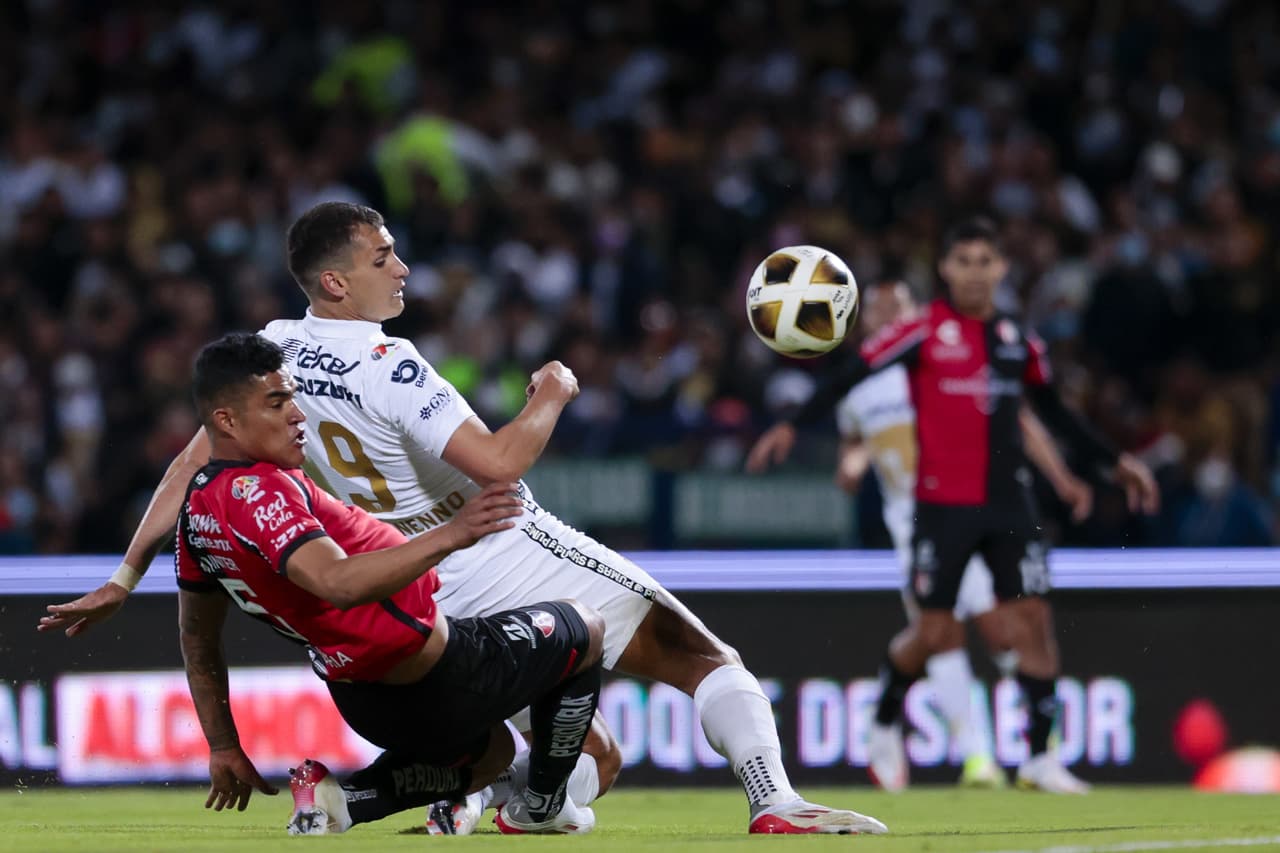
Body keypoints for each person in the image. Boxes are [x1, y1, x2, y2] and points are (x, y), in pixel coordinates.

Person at [39, 202, 886, 836]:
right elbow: (502, 464)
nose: (402, 268)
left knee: (594, 757)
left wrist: (124, 574)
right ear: (336, 281)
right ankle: (774, 799)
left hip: (404, 587)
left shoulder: (273, 352)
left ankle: (465, 800)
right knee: (704, 657)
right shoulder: (388, 361)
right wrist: (551, 395)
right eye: (383, 256)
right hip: (487, 540)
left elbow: (188, 467)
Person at [747, 219, 1159, 794]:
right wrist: (794, 424)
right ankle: (887, 713)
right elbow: (851, 374)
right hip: (941, 509)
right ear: (945, 269)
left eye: (984, 261)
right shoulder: (921, 332)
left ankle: (1039, 760)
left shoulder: (1016, 339)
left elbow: (1052, 412)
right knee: (937, 633)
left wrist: (1113, 462)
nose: (974, 272)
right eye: (963, 261)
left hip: (1009, 502)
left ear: (1001, 268)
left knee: (1030, 622)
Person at [175, 332, 603, 835]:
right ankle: (543, 807)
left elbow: (197, 637)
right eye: (277, 403)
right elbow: (337, 581)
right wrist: (454, 532)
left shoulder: (199, 507)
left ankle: (343, 801)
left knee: (493, 755)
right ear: (226, 421)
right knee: (585, 628)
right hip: (437, 675)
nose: (298, 415)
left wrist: (223, 744)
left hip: (365, 700)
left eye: (292, 397)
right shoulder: (260, 492)